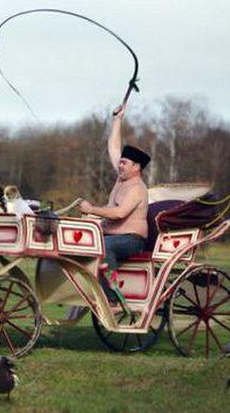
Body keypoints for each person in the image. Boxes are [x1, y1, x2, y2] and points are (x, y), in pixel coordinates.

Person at [78, 106, 150, 311]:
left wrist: (91, 210)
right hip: (112, 234)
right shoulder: (121, 178)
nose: (119, 165)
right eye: (120, 163)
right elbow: (113, 148)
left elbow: (119, 213)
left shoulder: (137, 188)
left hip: (132, 240)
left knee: (104, 246)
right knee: (81, 239)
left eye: (124, 163)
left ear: (136, 167)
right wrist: (117, 120)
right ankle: (80, 291)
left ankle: (113, 299)